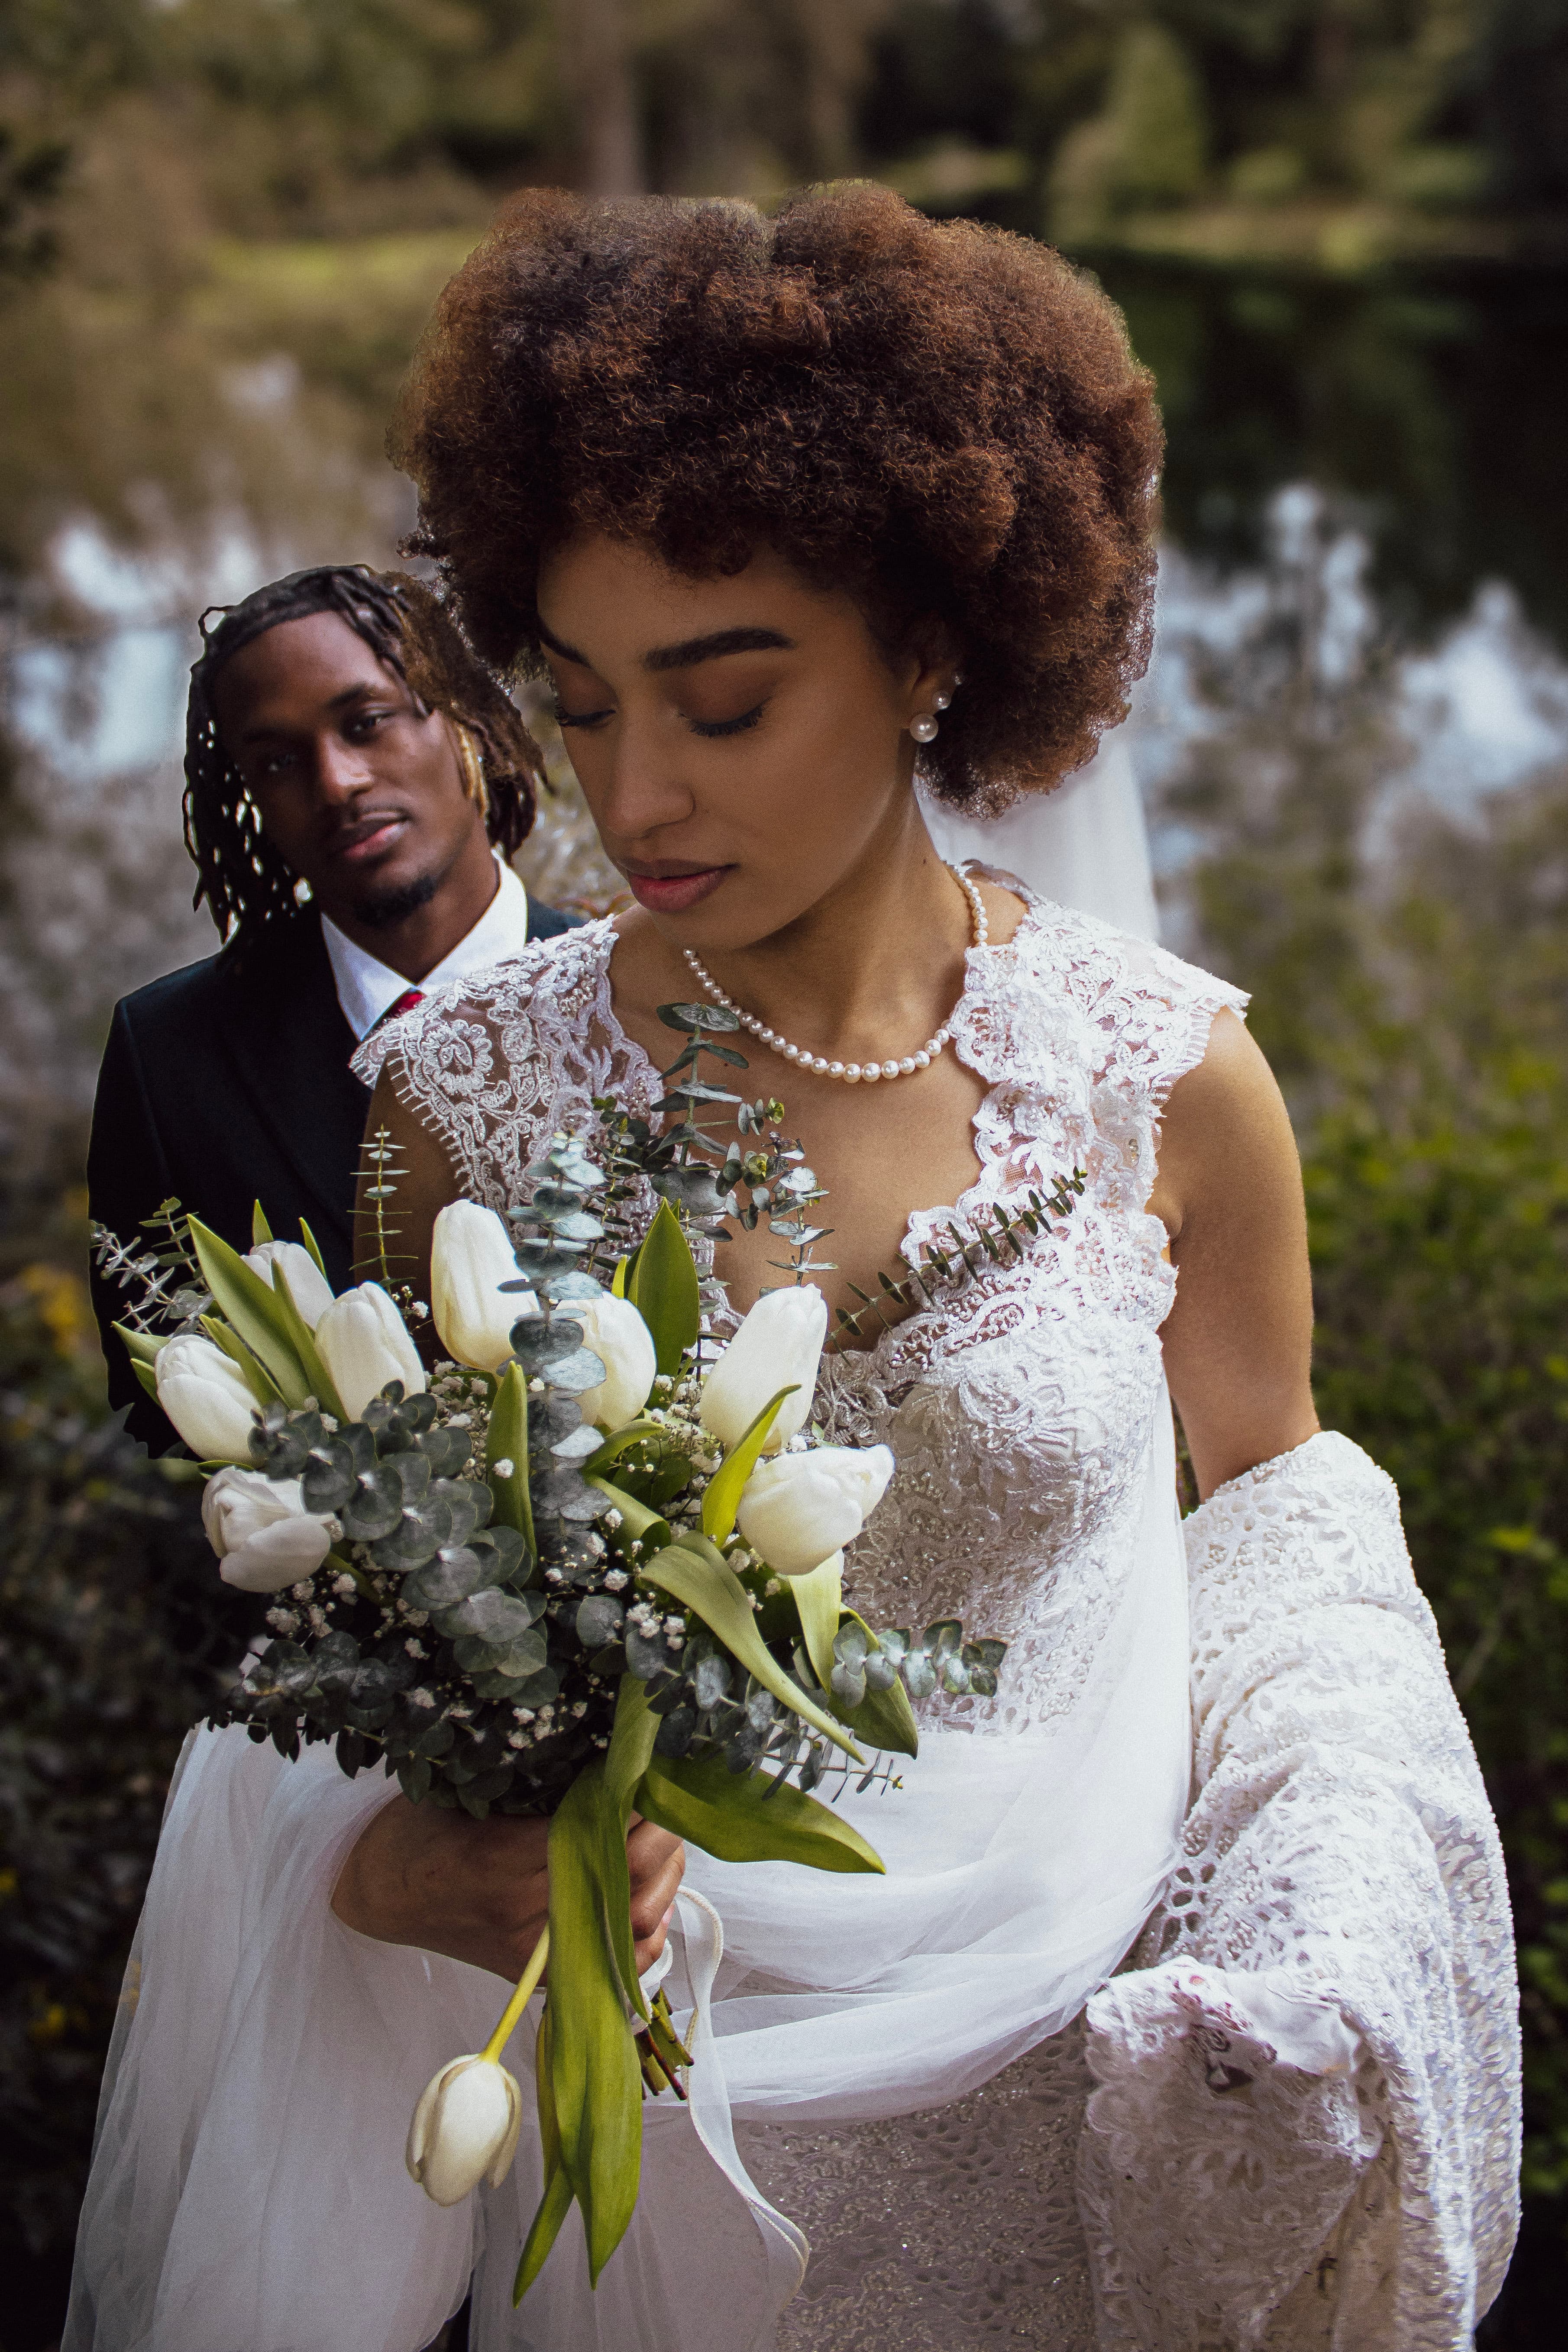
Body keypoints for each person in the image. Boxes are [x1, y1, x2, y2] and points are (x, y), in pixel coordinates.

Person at [68, 191, 1519, 2352]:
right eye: (573, 702)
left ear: (935, 643)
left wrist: (1330, 1912)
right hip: (661, 2162)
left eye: (724, 703)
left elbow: (1288, 1559)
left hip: (1070, 2113)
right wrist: (416, 1866)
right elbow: (366, 1685)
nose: (629, 795)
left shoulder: (1171, 1081)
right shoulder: (467, 1102)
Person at [86, 565, 580, 1446]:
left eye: (366, 723)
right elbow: (158, 1405)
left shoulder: (651, 1001)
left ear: (462, 714)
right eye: (277, 761)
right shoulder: (168, 1056)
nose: (337, 778)